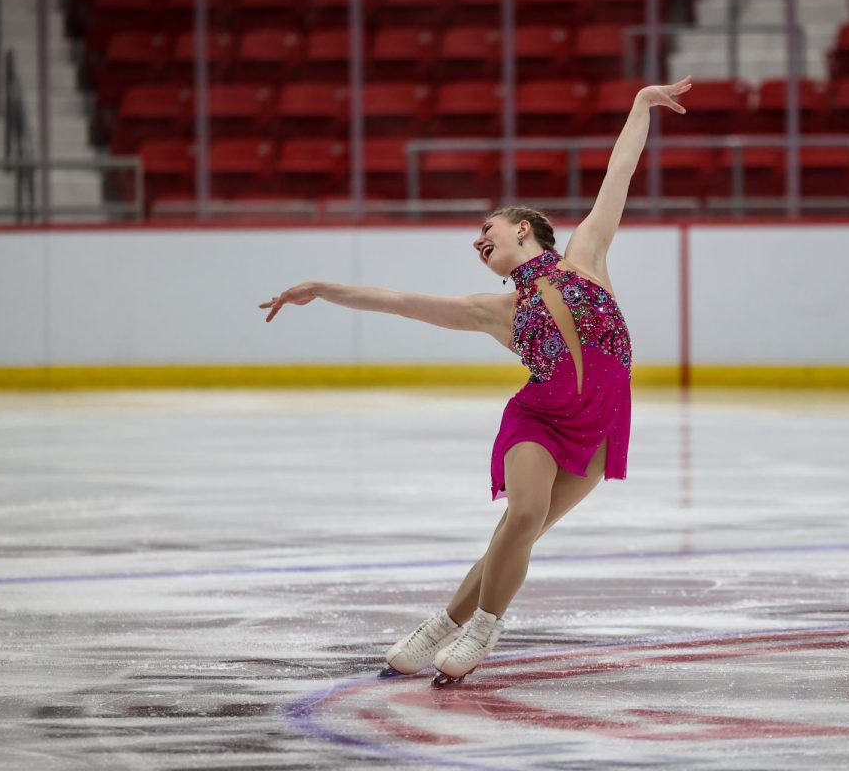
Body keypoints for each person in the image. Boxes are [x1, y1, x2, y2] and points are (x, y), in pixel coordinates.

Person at [260, 75, 693, 686]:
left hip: (601, 424)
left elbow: (619, 172)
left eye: (485, 229)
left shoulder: (585, 255)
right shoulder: (496, 312)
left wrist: (641, 103)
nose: (476, 241)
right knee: (524, 514)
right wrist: (326, 289)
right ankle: (486, 627)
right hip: (537, 419)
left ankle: (442, 623)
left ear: (523, 229)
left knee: (521, 532)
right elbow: (401, 301)